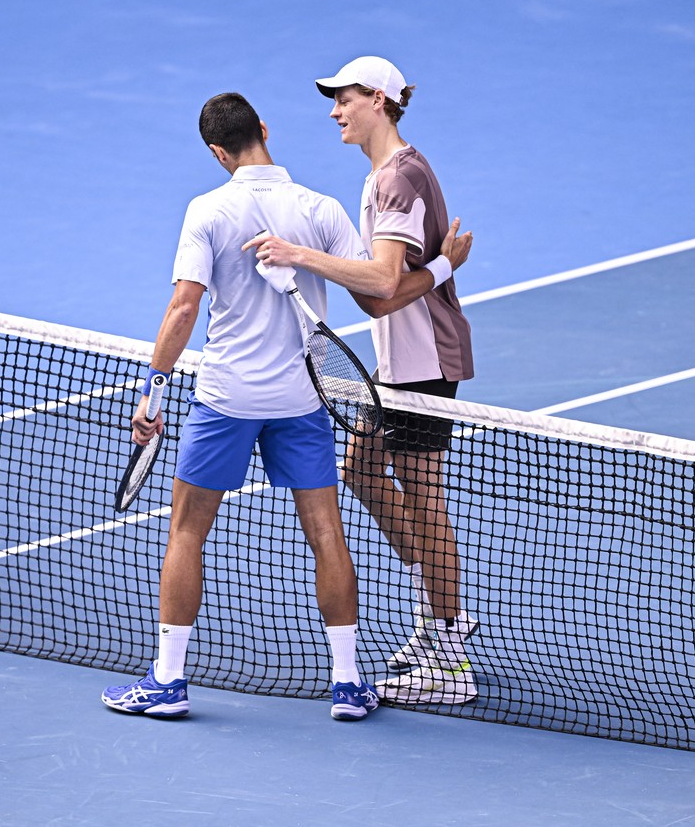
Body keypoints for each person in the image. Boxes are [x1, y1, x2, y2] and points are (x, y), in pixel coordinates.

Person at [101, 92, 390, 721]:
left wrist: (152, 388)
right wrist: (441, 268)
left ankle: (168, 681)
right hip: (300, 399)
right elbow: (375, 287)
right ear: (264, 128)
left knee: (186, 532)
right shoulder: (319, 208)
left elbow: (184, 308)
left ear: (216, 151)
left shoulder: (208, 210)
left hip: (226, 399)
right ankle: (347, 683)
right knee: (326, 533)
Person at [245, 56, 478, 705]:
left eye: (343, 98)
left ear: (378, 99)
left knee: (424, 498)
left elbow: (379, 285)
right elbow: (382, 294)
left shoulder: (396, 179)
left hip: (424, 361)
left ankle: (449, 650)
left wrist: (296, 254)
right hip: (399, 358)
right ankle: (438, 608)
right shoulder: (387, 174)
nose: (333, 110)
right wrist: (438, 268)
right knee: (360, 467)